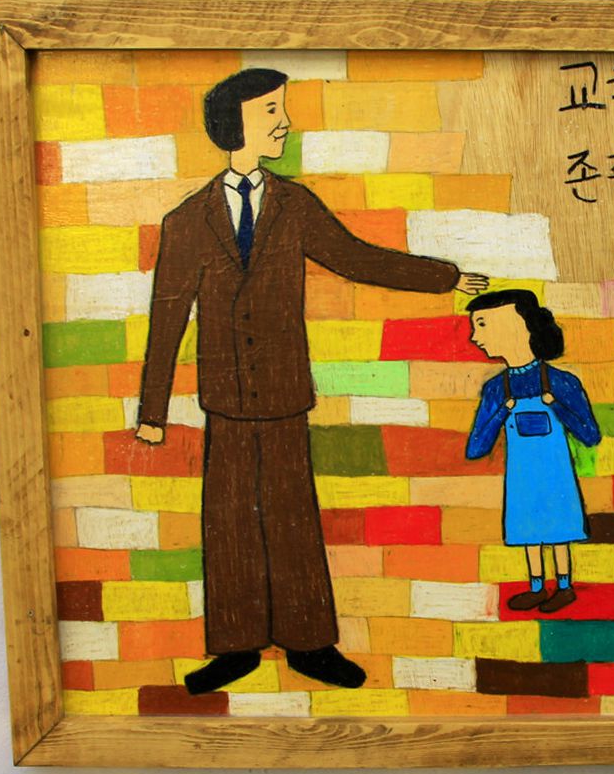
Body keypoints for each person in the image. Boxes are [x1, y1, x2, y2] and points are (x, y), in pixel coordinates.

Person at [135, 67, 488, 695]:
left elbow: (354, 258)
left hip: (284, 394)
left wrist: (445, 277)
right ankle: (235, 647)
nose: (285, 123)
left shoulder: (295, 205)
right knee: (228, 524)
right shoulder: (186, 220)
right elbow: (167, 315)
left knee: (292, 517)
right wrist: (152, 413)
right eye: (272, 111)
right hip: (225, 400)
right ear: (236, 124)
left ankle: (310, 644)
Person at [463, 289, 602, 613]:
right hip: (522, 478)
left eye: (482, 325)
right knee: (528, 528)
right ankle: (537, 587)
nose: (474, 337)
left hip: (556, 476)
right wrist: (502, 411)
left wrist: (560, 407)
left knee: (559, 526)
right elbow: (477, 447)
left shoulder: (562, 382)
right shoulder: (496, 390)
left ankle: (564, 586)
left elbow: (590, 434)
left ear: (516, 324)